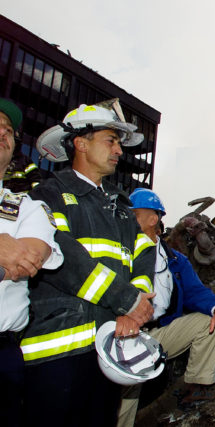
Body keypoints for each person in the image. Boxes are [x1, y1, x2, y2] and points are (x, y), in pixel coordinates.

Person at [20, 102, 157, 427]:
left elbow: (143, 256)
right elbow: (63, 258)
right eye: (110, 140)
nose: (118, 150)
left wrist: (133, 310)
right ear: (80, 143)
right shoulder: (49, 195)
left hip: (109, 346)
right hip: (59, 352)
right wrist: (127, 301)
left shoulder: (121, 207)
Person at [118, 188, 215, 426]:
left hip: (156, 333)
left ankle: (196, 386)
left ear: (153, 219)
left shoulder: (175, 260)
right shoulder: (118, 251)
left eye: (134, 214)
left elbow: (195, 291)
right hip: (123, 334)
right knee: (125, 392)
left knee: (205, 323)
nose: (127, 219)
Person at [0, 98, 63, 427]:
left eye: (8, 130)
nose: (2, 133)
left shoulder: (26, 207)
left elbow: (28, 259)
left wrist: (10, 255)